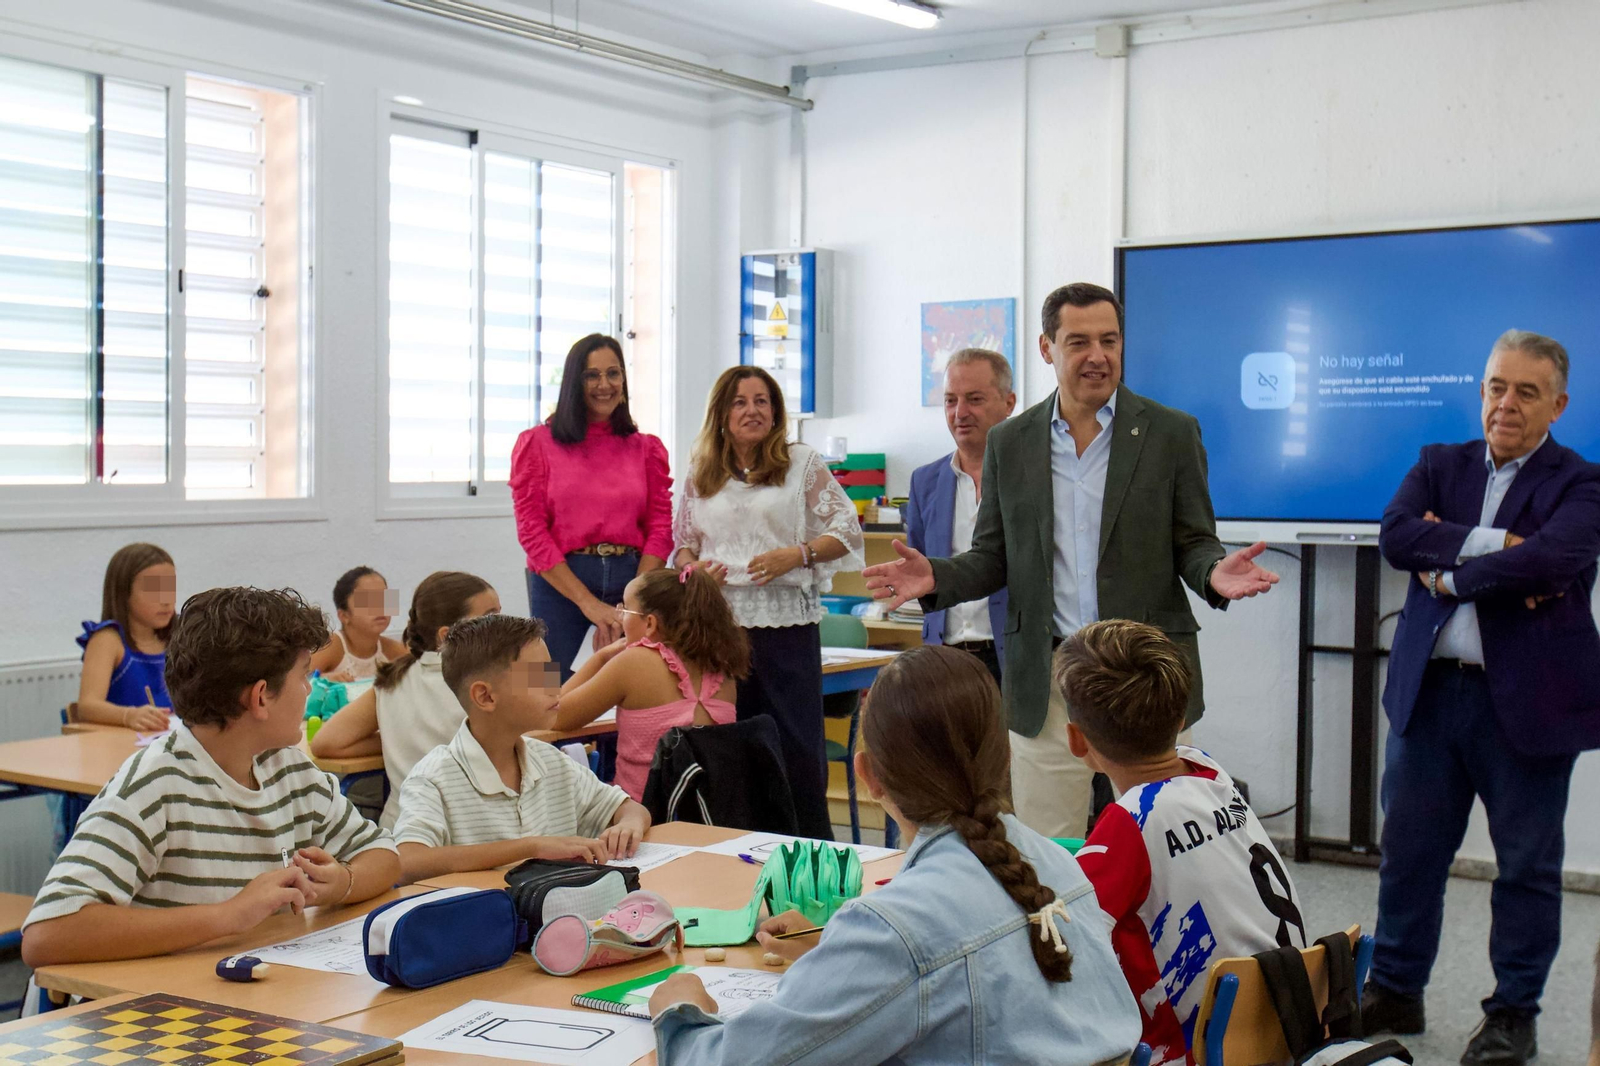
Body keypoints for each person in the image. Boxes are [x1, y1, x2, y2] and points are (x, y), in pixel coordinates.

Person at [864, 282, 1279, 839]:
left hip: (1142, 675)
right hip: (1048, 674)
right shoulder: (1012, 442)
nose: (1098, 355)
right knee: (1046, 844)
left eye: (1109, 340)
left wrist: (1212, 572)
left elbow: (1193, 543)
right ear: (1046, 348)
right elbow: (992, 558)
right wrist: (937, 576)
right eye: (1079, 341)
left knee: (1159, 839)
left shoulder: (1170, 433)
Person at [646, 645, 1141, 1064]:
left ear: (868, 775)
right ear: (1004, 756)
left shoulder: (896, 930)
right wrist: (841, 951)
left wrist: (680, 1014)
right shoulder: (1055, 860)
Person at [1362, 330, 1600, 1066]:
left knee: (1525, 867)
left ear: (1557, 404)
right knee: (1409, 853)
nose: (1507, 404)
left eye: (1527, 392)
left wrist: (1455, 567)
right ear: (1482, 391)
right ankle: (1395, 986)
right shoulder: (1440, 463)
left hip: (1526, 708)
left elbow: (1556, 556)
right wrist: (1504, 549)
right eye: (1497, 386)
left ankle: (1512, 1016)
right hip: (1430, 699)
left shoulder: (1582, 483)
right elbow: (1398, 537)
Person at [21, 587, 400, 967]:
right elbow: (48, 934)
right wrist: (229, 916)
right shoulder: (155, 783)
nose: (308, 690)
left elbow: (384, 856)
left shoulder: (291, 771)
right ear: (261, 697)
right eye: (304, 677)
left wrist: (342, 882)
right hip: (162, 1014)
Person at [1058, 620, 1307, 1064]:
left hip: (1196, 1052)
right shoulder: (1210, 774)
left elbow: (1056, 941)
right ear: (1180, 718)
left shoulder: (1127, 827)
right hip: (1286, 1028)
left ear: (1076, 740)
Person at [673, 366, 864, 839]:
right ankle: (734, 848)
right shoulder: (702, 472)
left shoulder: (802, 463)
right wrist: (694, 572)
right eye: (740, 402)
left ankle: (808, 852)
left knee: (795, 748)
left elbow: (846, 531)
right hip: (718, 629)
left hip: (786, 628)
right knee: (728, 744)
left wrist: (796, 554)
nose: (752, 410)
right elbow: (682, 546)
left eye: (762, 401)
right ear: (721, 413)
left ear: (776, 413)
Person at [392, 614, 650, 883]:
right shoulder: (434, 778)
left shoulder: (550, 761)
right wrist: (532, 848)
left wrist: (628, 824)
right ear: (486, 696)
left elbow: (628, 808)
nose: (555, 687)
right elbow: (409, 861)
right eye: (539, 676)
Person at [510, 334, 673, 679]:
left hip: (632, 578)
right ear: (574, 382)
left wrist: (632, 603)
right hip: (562, 583)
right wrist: (588, 604)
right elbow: (532, 532)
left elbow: (659, 529)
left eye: (613, 374)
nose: (604, 385)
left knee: (637, 681)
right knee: (544, 685)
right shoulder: (537, 444)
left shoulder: (646, 448)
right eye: (592, 375)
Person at [311, 570, 501, 829]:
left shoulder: (395, 674)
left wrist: (402, 739)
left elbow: (326, 741)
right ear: (446, 635)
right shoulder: (490, 681)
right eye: (491, 617)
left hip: (402, 830)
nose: (503, 626)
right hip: (469, 832)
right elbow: (555, 709)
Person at [553, 565, 747, 802]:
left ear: (650, 624)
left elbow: (556, 716)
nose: (620, 616)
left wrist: (599, 657)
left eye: (625, 610)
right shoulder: (723, 670)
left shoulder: (635, 661)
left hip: (643, 814)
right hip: (712, 813)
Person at [904, 348, 1017, 685]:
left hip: (1013, 659)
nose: (960, 412)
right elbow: (922, 569)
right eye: (951, 401)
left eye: (975, 399)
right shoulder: (924, 482)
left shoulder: (1034, 477)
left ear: (1009, 403)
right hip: (944, 659)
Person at [75, 542, 177, 730]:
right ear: (124, 593)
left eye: (170, 588)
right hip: (122, 746)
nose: (166, 600)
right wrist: (128, 715)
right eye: (154, 590)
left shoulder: (181, 635)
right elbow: (87, 706)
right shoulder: (108, 640)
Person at [310, 566, 405, 682]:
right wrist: (323, 679)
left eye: (384, 599)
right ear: (344, 615)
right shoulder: (332, 646)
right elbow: (296, 679)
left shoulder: (394, 651)